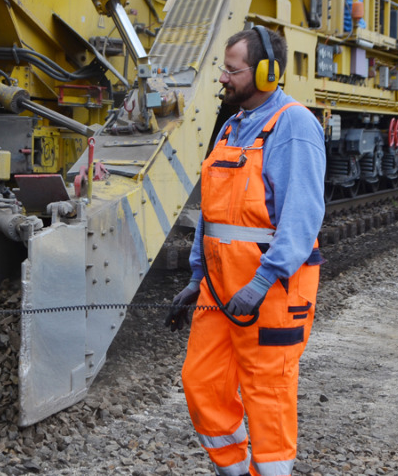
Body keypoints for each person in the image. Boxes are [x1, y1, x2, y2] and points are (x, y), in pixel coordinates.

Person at [164, 26, 326, 476]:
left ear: (268, 73)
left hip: (273, 291)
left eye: (231, 70)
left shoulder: (292, 126)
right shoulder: (232, 127)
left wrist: (261, 280)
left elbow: (302, 216)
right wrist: (196, 279)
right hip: (219, 288)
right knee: (202, 382)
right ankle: (234, 471)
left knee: (266, 392)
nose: (222, 78)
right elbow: (211, 217)